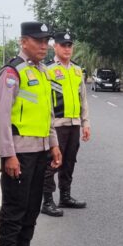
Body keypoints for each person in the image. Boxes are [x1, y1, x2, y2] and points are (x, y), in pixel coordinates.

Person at [0, 22, 62, 246]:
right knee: (14, 208)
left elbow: (47, 114)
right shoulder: (13, 72)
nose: (44, 46)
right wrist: (8, 154)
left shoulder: (44, 73)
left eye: (46, 41)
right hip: (19, 153)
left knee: (33, 205)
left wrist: (54, 144)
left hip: (41, 151)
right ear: (24, 42)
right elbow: (2, 117)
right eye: (38, 41)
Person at [41, 30, 91, 217]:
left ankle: (65, 196)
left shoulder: (77, 70)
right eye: (63, 45)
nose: (67, 49)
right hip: (56, 125)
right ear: (55, 46)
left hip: (74, 123)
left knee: (69, 161)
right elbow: (45, 100)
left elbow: (83, 99)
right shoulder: (48, 69)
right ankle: (47, 201)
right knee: (53, 162)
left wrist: (85, 123)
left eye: (70, 45)